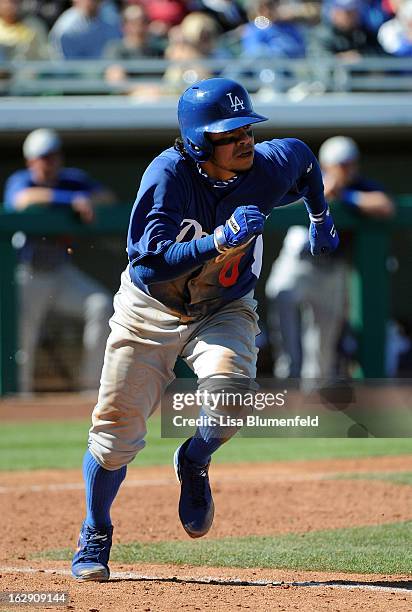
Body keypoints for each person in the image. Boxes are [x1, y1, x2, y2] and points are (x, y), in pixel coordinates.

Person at [70, 77, 339, 582]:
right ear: (198, 142)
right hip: (151, 309)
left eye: (247, 128)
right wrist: (218, 240)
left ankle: (193, 459)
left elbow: (303, 157)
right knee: (114, 436)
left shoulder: (266, 163)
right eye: (229, 132)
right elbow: (149, 265)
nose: (245, 140)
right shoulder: (168, 175)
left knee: (234, 398)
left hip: (223, 307)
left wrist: (319, 213)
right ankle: (96, 527)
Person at [265, 135, 394, 381]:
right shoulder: (309, 179)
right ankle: (288, 383)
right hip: (298, 261)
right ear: (325, 165)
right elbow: (277, 202)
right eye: (340, 164)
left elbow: (385, 206)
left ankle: (313, 401)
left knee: (321, 348)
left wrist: (346, 197)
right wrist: (322, 191)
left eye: (350, 163)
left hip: (331, 269)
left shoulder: (359, 187)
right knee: (282, 298)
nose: (346, 169)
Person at [4, 128, 116, 394]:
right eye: (43, 157)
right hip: (28, 272)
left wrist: (85, 198)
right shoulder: (22, 180)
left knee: (100, 305)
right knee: (24, 332)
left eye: (53, 156)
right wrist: (70, 200)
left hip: (61, 271)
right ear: (31, 160)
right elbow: (21, 200)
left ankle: (90, 387)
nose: (49, 162)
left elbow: (108, 198)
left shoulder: (72, 180)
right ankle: (20, 393)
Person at [48, 0, 121, 59]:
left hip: (103, 71)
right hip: (74, 74)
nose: (93, 2)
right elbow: (67, 63)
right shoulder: (66, 28)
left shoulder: (110, 18)